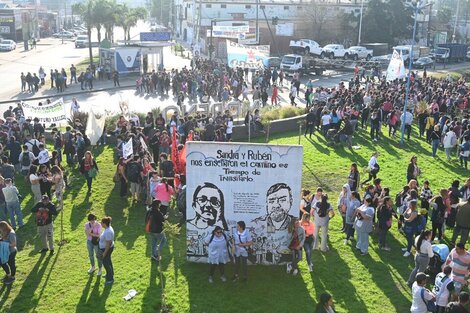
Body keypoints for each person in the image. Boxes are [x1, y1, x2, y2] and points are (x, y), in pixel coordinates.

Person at [99, 216, 115, 285]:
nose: (100, 224)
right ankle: (110, 274)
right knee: (108, 261)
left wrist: (104, 253)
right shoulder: (108, 228)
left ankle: (110, 279)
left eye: (101, 223)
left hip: (107, 249)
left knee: (106, 263)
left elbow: (109, 243)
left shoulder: (108, 231)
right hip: (107, 248)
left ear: (104, 223)